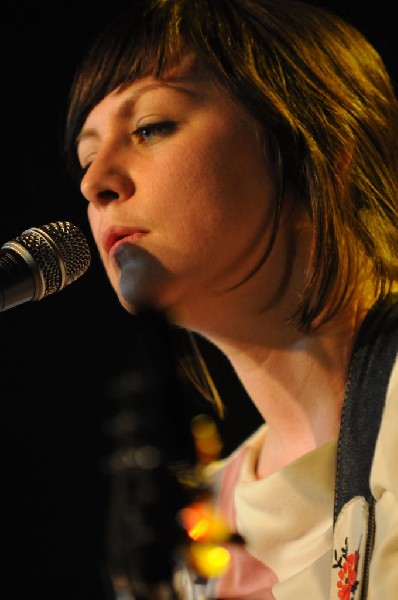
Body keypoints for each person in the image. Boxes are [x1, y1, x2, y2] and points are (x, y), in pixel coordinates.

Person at [63, 0, 398, 598]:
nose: (94, 183)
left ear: (311, 144)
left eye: (150, 128)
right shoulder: (198, 528)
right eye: (87, 159)